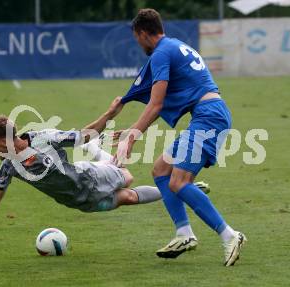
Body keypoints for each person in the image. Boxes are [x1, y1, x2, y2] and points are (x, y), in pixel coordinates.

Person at [105, 9, 246, 266]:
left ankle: (230, 235)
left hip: (208, 117)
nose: (139, 44)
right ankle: (184, 233)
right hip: (209, 113)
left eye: (137, 38)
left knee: (179, 182)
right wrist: (132, 130)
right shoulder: (175, 46)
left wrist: (132, 138)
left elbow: (156, 105)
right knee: (161, 171)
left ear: (144, 33)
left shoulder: (160, 53)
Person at [0, 98, 165, 232]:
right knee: (127, 197)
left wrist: (109, 114)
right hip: (77, 201)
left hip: (89, 177)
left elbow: (83, 135)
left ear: (5, 140)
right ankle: (172, 189)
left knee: (128, 178)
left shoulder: (43, 139)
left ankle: (172, 189)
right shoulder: (9, 166)